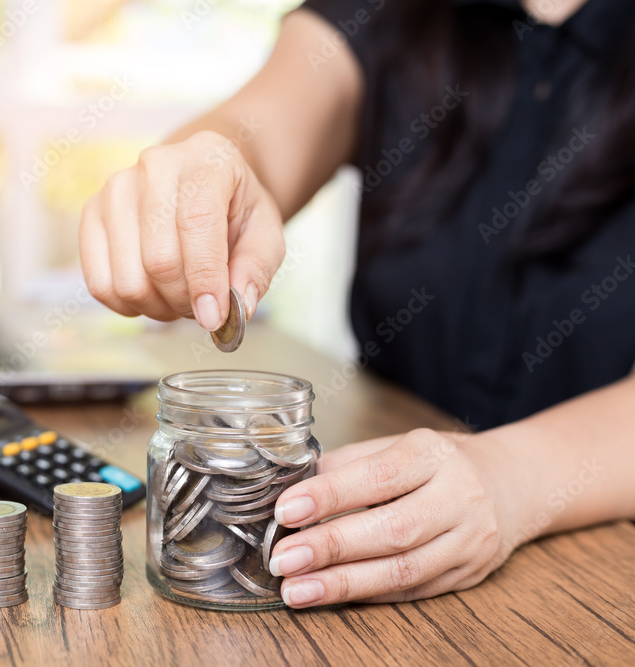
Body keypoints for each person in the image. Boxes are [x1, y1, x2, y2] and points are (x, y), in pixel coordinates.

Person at [78, 0, 635, 608]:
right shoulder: (390, 15)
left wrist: (512, 477)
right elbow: (260, 130)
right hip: (379, 554)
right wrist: (208, 171)